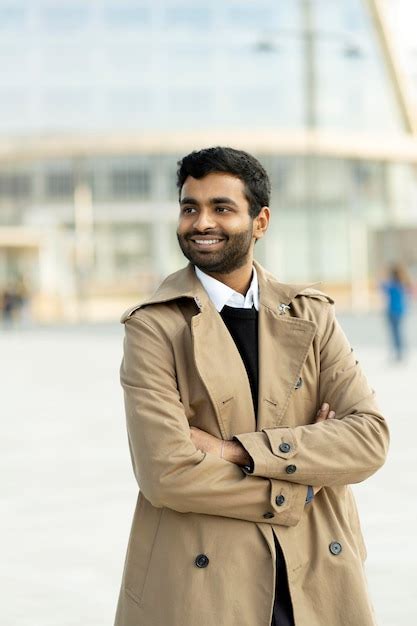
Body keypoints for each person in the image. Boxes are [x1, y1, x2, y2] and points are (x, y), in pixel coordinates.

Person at [115, 147, 389, 626]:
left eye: (221, 208)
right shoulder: (154, 326)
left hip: (318, 570)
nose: (201, 222)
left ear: (260, 221)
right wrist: (300, 485)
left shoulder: (312, 313)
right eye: (189, 207)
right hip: (203, 583)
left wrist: (234, 452)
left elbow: (368, 439)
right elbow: (166, 472)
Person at [380, 264, 410, 361]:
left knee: (394, 333)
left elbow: (382, 286)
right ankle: (399, 352)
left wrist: (383, 275)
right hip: (400, 311)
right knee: (398, 333)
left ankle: (398, 353)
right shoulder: (402, 284)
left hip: (393, 312)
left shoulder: (392, 285)